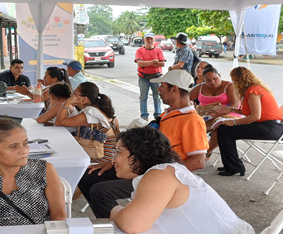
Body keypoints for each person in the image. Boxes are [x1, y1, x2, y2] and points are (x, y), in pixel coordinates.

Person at [75, 70, 208, 219]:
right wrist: (113, 163)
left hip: (158, 176)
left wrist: (157, 177)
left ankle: (120, 223)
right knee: (87, 177)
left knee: (100, 191)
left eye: (162, 86)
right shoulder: (168, 114)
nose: (159, 90)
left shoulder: (192, 120)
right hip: (140, 168)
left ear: (175, 89)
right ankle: (109, 220)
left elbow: (198, 161)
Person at [110, 126, 255, 234]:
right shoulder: (166, 171)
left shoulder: (161, 173)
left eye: (118, 152)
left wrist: (116, 211)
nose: (113, 160)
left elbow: (132, 224)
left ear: (138, 152)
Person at [216, 67, 283, 176]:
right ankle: (232, 165)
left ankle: (234, 167)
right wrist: (231, 110)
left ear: (238, 79)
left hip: (270, 128)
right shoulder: (257, 88)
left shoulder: (254, 90)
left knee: (225, 131)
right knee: (224, 129)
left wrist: (233, 122)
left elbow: (255, 116)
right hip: (270, 127)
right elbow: (249, 113)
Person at [190, 64, 240, 160]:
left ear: (219, 76)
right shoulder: (200, 87)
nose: (213, 82)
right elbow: (185, 99)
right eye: (209, 80)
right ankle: (195, 150)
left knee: (222, 126)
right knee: (190, 124)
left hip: (227, 113)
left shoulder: (229, 86)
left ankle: (208, 151)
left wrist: (216, 114)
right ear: (204, 80)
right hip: (204, 114)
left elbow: (235, 105)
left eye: (215, 78)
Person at [135, 32, 165, 120]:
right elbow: (139, 63)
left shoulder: (158, 50)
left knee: (157, 97)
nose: (149, 40)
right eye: (147, 38)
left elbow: (162, 63)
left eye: (151, 38)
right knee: (143, 97)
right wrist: (154, 61)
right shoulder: (140, 51)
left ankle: (157, 115)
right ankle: (144, 116)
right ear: (144, 40)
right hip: (143, 77)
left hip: (156, 76)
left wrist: (146, 63)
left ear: (154, 39)